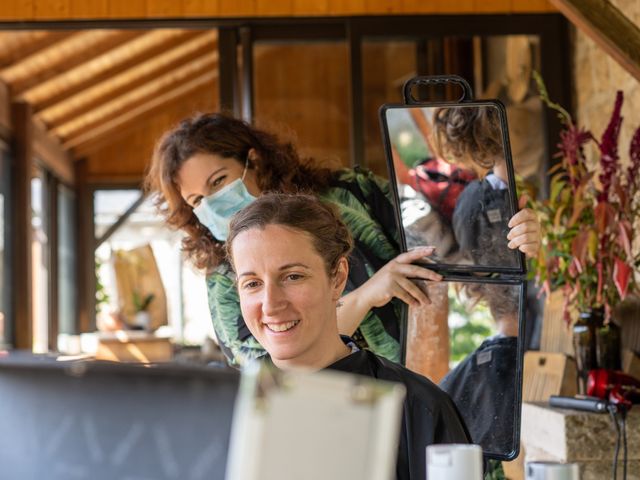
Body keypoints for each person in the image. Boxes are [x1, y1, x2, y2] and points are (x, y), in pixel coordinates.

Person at [145, 112, 540, 367]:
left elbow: (457, 259)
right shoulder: (224, 280)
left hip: (425, 388)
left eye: (219, 182)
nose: (214, 204)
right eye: (198, 200)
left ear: (255, 160)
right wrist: (368, 294)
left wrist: (514, 239)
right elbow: (264, 369)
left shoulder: (355, 196)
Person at [225, 192, 471, 480]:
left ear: (338, 277)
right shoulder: (224, 408)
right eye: (252, 283)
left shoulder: (419, 408)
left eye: (293, 276)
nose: (270, 304)